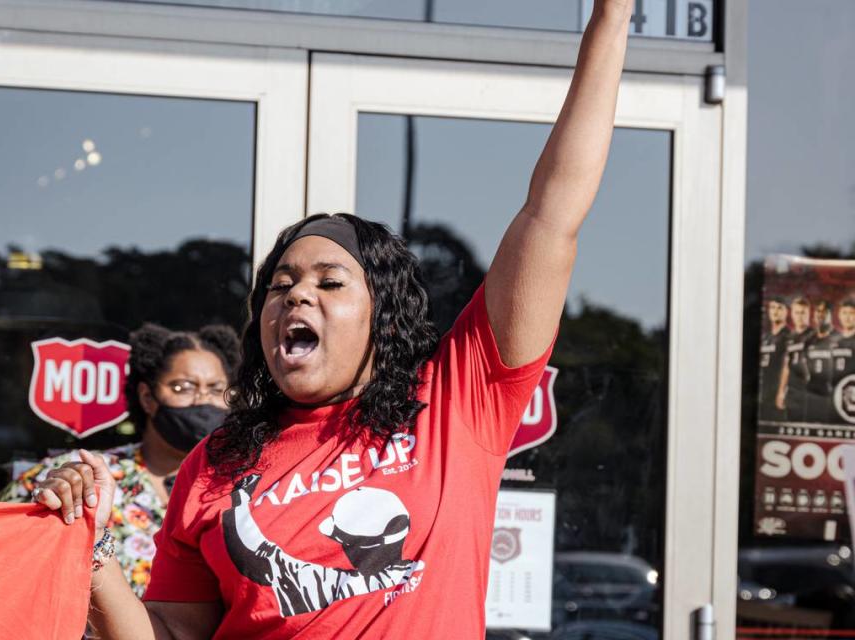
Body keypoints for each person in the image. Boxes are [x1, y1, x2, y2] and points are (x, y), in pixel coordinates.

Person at [32, 2, 634, 637]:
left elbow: (551, 214)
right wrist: (90, 552)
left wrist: (611, 18)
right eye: (280, 286)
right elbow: (173, 633)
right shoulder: (213, 464)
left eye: (329, 282)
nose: (295, 298)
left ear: (386, 322)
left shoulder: (457, 404)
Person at [0, 322, 240, 598]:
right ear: (148, 397)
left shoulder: (243, 485)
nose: (202, 400)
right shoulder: (89, 474)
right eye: (184, 387)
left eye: (215, 388)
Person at [776, 296, 813, 422]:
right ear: (791, 314)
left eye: (803, 312)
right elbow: (786, 366)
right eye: (797, 312)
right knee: (792, 423)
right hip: (793, 390)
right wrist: (781, 391)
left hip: (809, 389)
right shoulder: (789, 337)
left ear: (809, 313)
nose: (800, 316)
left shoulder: (814, 334)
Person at [804, 299, 838, 423]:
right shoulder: (809, 340)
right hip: (812, 394)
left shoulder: (838, 338)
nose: (820, 314)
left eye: (824, 311)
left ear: (831, 315)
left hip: (832, 396)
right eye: (818, 311)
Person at [759, 297, 789, 422]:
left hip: (776, 392)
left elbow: (787, 366)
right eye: (772, 308)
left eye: (779, 308)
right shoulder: (765, 337)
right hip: (762, 390)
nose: (775, 311)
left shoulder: (788, 335)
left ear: (786, 311)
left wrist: (781, 392)